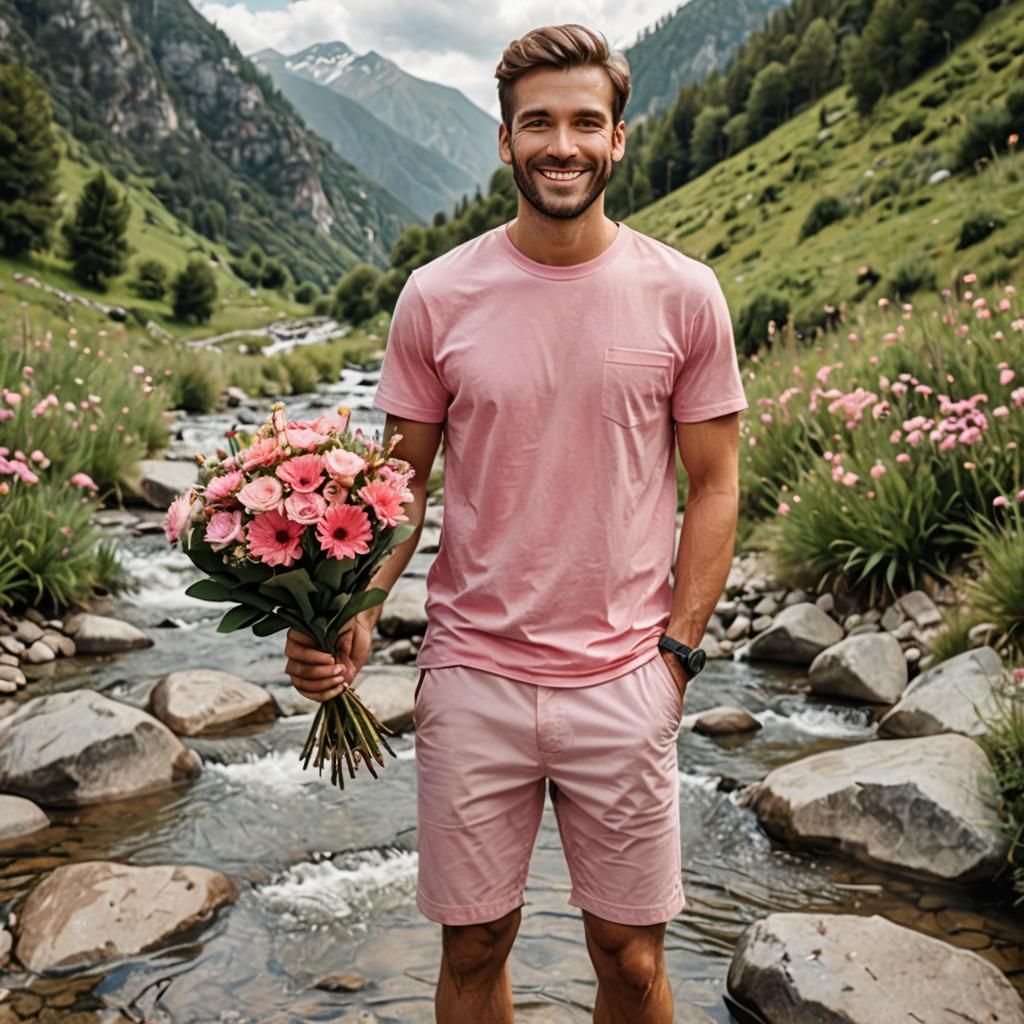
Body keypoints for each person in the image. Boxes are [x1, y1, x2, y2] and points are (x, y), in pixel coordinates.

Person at [284, 23, 747, 1023]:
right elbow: (398, 487)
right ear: (504, 141)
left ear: (618, 138)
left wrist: (676, 658)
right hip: (471, 676)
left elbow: (716, 484)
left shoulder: (685, 295)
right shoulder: (436, 296)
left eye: (584, 122)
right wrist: (351, 610)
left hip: (625, 678)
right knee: (474, 946)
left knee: (630, 957)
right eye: (537, 123)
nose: (560, 145)